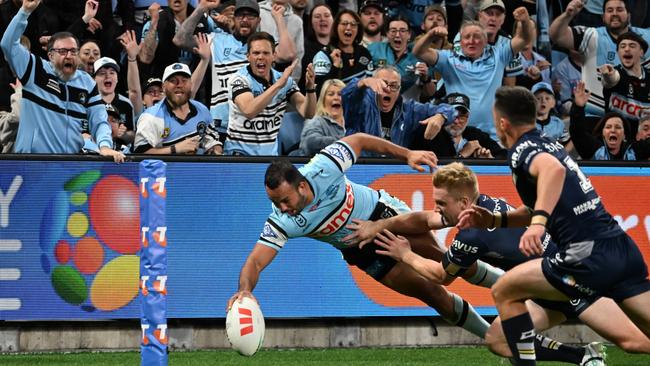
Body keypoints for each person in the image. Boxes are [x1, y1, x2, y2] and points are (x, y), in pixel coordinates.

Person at [346, 161, 650, 364]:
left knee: (635, 341)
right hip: (545, 292)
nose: (437, 209)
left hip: (573, 284)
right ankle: (583, 356)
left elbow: (441, 276)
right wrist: (377, 226)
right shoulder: (481, 205)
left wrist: (406, 255)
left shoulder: (471, 235)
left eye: (441, 202)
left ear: (463, 204)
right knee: (498, 339)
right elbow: (425, 218)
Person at [226, 132, 491, 340]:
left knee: (450, 262)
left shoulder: (323, 167)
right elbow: (256, 261)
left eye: (285, 200)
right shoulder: (283, 220)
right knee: (433, 295)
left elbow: (360, 140)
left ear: (303, 185)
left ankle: (512, 288)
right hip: (361, 250)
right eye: (276, 203)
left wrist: (407, 153)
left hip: (384, 217)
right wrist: (244, 291)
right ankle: (496, 337)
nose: (283, 208)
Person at [456, 85, 650, 365]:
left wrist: (537, 225)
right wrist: (497, 220)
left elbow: (552, 171)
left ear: (502, 123)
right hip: (620, 249)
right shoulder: (548, 141)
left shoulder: (522, 149)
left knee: (504, 290)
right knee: (634, 341)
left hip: (584, 255)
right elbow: (541, 200)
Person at [0, 0, 124, 162]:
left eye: (73, 51)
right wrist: (24, 12)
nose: (69, 56)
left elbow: (99, 119)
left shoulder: (86, 83)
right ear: (50, 55)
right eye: (63, 51)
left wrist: (105, 145)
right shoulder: (34, 69)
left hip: (68, 167)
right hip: (31, 164)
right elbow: (8, 45)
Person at [414, 7, 534, 140]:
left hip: (492, 136)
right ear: (461, 41)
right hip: (457, 134)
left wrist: (525, 21)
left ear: (485, 41)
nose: (471, 41)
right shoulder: (448, 59)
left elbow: (524, 39)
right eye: (467, 37)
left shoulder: (499, 55)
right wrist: (431, 35)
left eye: (477, 37)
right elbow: (418, 52)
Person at [549, 0, 650, 116]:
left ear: (629, 15)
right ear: (603, 17)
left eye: (620, 9)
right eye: (610, 10)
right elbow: (557, 36)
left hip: (637, 119)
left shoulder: (646, 37)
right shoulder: (591, 36)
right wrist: (568, 15)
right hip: (595, 116)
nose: (615, 13)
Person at [224, 32, 316, 156]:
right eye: (256, 53)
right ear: (248, 56)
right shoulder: (239, 79)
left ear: (274, 56)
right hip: (239, 155)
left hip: (269, 156)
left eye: (266, 53)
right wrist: (278, 85)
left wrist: (310, 89)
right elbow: (249, 110)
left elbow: (308, 113)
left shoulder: (285, 81)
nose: (261, 57)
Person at [342, 65, 456, 150]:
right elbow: (346, 94)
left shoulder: (409, 110)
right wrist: (363, 82)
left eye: (394, 86)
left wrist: (441, 116)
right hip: (359, 167)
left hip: (394, 170)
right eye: (383, 83)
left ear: (399, 89)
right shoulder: (360, 105)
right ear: (372, 85)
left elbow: (451, 110)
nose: (388, 89)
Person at [133, 62, 222, 155]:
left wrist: (215, 148)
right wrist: (175, 149)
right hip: (166, 169)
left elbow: (212, 138)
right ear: (163, 87)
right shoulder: (151, 117)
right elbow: (140, 153)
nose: (179, 85)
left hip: (198, 168)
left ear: (191, 84)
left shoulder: (202, 110)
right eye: (173, 81)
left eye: (184, 80)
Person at [570, 80, 650, 160]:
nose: (613, 130)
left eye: (618, 127)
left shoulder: (635, 151)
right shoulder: (594, 150)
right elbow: (577, 132)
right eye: (608, 127)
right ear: (603, 133)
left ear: (624, 135)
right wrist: (578, 107)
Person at [410, 92, 506, 158]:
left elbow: (504, 157)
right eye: (453, 116)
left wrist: (490, 159)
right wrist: (462, 155)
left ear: (468, 117)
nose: (457, 121)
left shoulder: (476, 134)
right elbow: (435, 169)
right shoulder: (430, 135)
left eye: (462, 116)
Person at [312, 9, 373, 96]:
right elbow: (319, 92)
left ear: (358, 29)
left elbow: (370, 87)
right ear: (336, 27)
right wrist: (335, 67)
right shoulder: (323, 55)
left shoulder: (364, 53)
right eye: (344, 24)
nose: (348, 27)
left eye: (353, 24)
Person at [600, 31, 650, 132]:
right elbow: (611, 79)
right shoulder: (616, 73)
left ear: (641, 52)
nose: (626, 49)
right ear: (618, 52)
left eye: (632, 46)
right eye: (622, 46)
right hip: (618, 139)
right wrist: (607, 75)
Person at [298, 78, 346, 156]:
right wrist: (347, 142)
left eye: (340, 94)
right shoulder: (315, 120)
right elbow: (310, 143)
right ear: (323, 99)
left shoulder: (353, 120)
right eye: (331, 94)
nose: (336, 97)